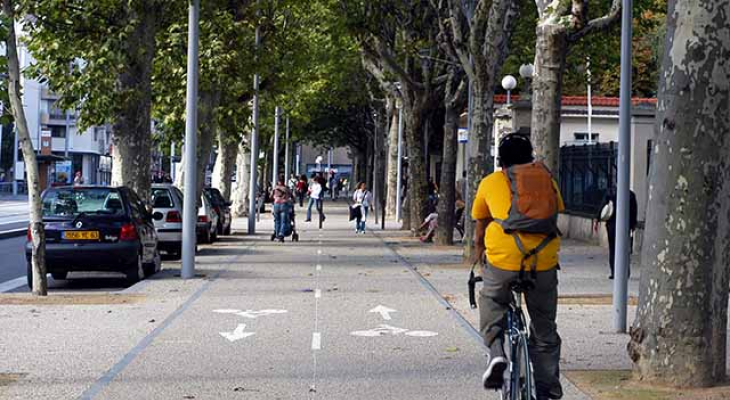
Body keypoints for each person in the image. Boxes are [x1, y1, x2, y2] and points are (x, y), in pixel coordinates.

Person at [472, 133, 564, 400]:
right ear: (530, 159)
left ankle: (497, 354)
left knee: (491, 301)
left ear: (501, 162)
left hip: (503, 261)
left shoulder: (490, 182)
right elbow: (556, 212)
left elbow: (480, 227)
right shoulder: (547, 182)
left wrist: (479, 256)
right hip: (543, 262)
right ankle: (548, 392)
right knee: (544, 330)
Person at [593, 187, 638, 279]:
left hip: (612, 226)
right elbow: (634, 212)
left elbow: (602, 207)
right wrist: (633, 226)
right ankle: (625, 271)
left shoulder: (610, 193)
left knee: (613, 249)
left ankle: (614, 272)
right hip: (626, 225)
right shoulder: (631, 195)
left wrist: (597, 219)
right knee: (625, 249)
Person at [272, 176, 293, 241]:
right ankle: (281, 234)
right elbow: (291, 196)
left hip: (276, 205)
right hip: (284, 205)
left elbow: (271, 196)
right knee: (284, 221)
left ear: (278, 181)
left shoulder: (275, 188)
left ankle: (277, 234)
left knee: (277, 220)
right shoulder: (286, 188)